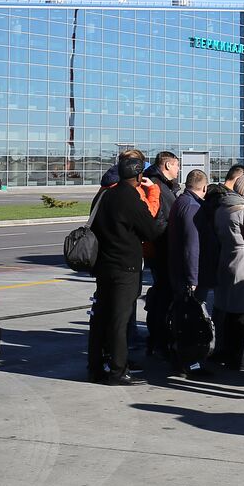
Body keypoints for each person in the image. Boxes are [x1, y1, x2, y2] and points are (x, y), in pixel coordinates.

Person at [87, 154, 160, 385]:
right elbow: (151, 231)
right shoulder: (131, 198)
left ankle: (96, 366)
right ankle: (118, 371)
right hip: (125, 266)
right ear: (139, 176)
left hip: (103, 265)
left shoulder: (106, 195)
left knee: (101, 318)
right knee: (120, 321)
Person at [168, 169, 213, 375]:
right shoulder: (194, 207)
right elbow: (192, 246)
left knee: (183, 319)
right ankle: (191, 362)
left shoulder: (181, 201)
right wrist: (193, 277)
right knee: (193, 321)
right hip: (189, 274)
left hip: (178, 269)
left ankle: (183, 359)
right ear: (204, 187)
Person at [213, 174, 244, 371]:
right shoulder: (242, 212)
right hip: (242, 263)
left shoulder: (222, 208)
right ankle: (237, 356)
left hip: (226, 259)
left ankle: (226, 351)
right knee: (240, 313)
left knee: (228, 311)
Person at [141, 152, 180, 358]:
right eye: (176, 166)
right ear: (166, 165)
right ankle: (159, 340)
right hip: (162, 249)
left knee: (161, 294)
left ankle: (158, 339)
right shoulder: (158, 186)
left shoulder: (163, 185)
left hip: (162, 249)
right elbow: (159, 220)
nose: (178, 170)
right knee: (163, 296)